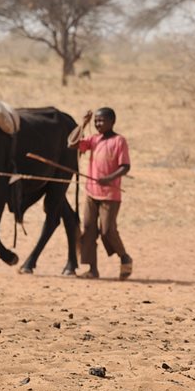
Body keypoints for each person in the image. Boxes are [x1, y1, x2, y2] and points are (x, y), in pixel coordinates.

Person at [68, 108, 132, 280]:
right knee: (88, 229)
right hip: (91, 193)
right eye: (96, 121)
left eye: (102, 121)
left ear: (112, 121)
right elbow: (72, 143)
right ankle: (92, 269)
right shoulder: (94, 140)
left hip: (110, 195)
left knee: (107, 231)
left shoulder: (119, 141)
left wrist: (109, 178)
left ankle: (124, 258)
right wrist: (83, 123)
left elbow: (125, 167)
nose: (98, 124)